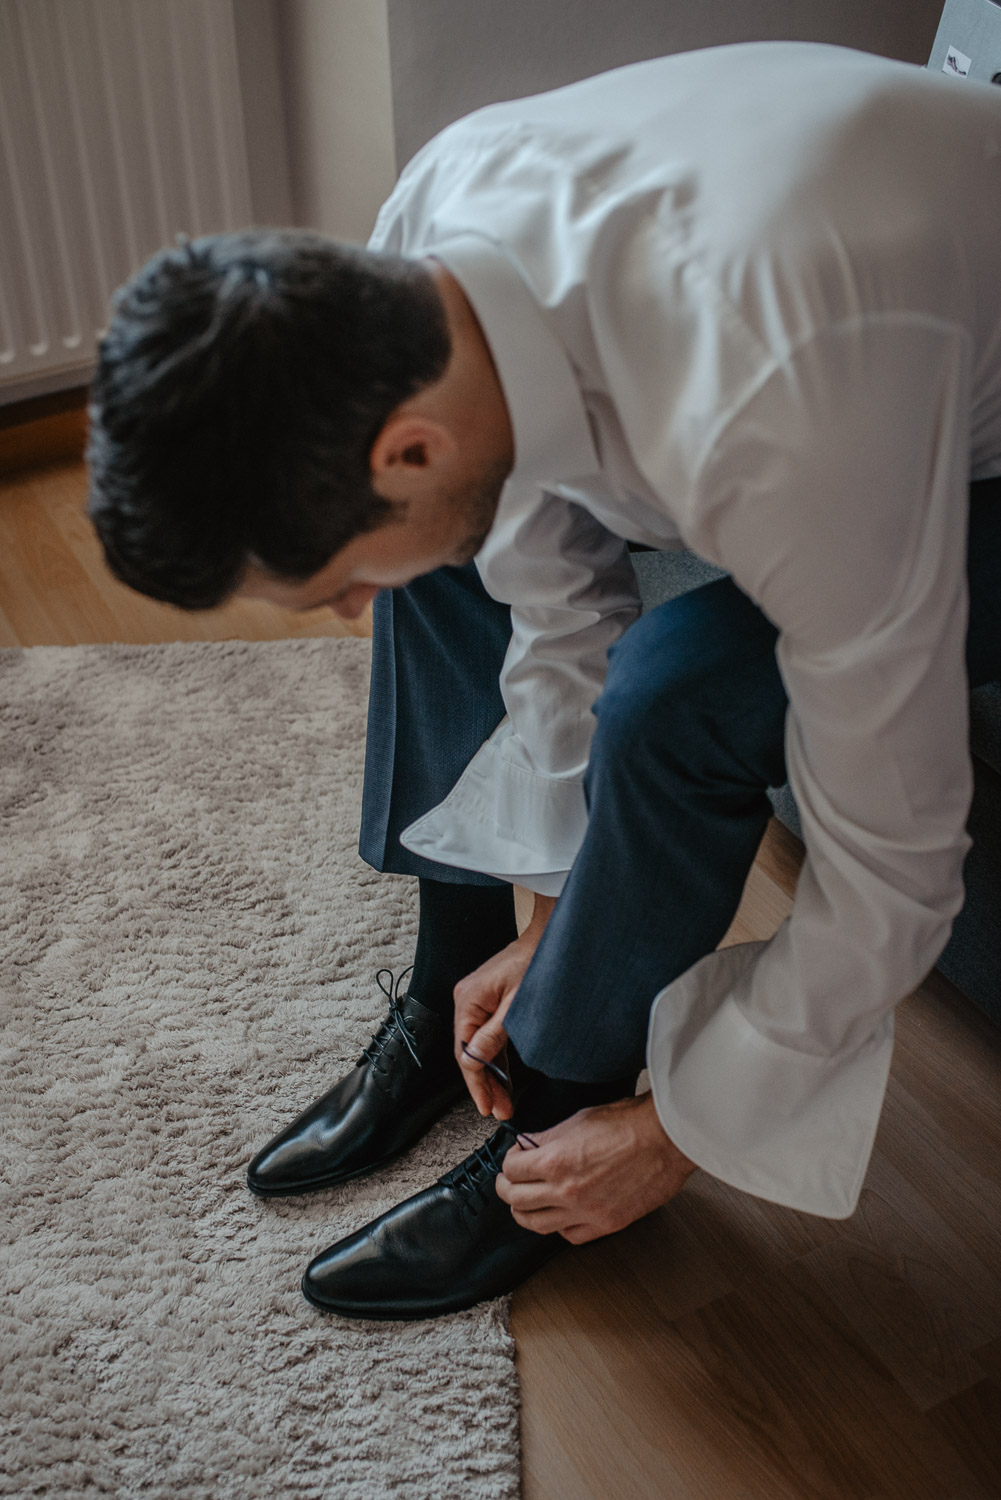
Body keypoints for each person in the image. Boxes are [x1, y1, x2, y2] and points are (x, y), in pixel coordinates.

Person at [87, 41, 1001, 1321]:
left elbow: (897, 869)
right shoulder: (425, 245)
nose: (346, 618)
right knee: (438, 557)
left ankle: (560, 1107)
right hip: (854, 348)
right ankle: (448, 1005)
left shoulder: (770, 389)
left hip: (920, 412)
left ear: (406, 440)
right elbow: (551, 600)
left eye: (325, 590)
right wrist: (546, 918)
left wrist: (683, 1125)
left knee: (678, 685)